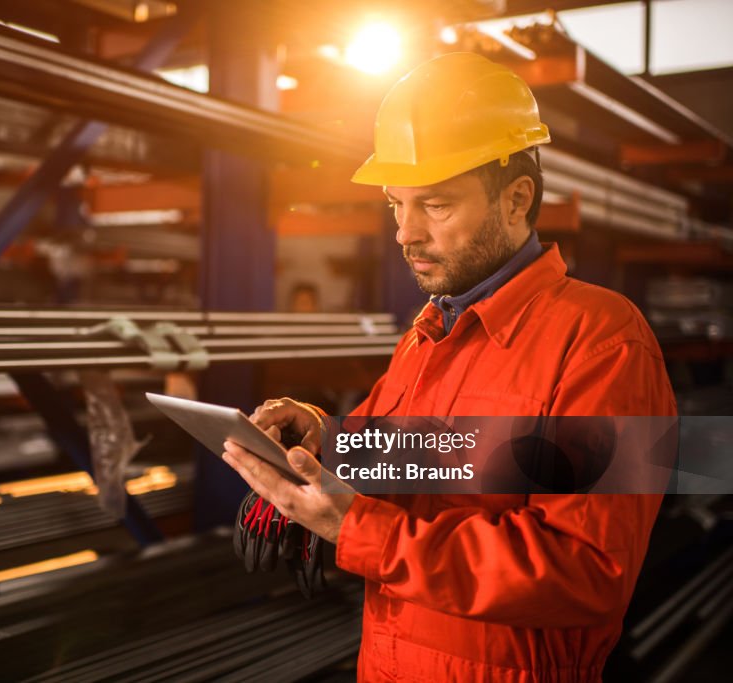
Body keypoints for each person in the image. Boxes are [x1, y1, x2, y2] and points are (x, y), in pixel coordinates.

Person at [221, 52, 677, 682]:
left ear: (517, 199)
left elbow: (585, 568)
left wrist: (355, 527)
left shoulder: (604, 340)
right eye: (395, 206)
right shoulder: (429, 331)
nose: (406, 234)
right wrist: (322, 438)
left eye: (434, 206)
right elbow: (411, 456)